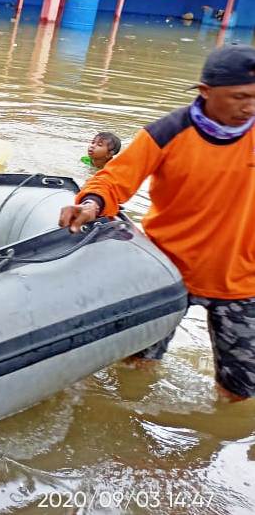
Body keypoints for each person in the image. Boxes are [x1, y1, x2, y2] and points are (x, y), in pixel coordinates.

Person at [60, 45, 255, 401]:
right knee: (135, 369)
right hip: (167, 273)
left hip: (241, 281)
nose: (249, 107)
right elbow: (114, 180)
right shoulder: (167, 133)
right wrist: (89, 204)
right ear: (206, 92)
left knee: (239, 393)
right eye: (239, 96)